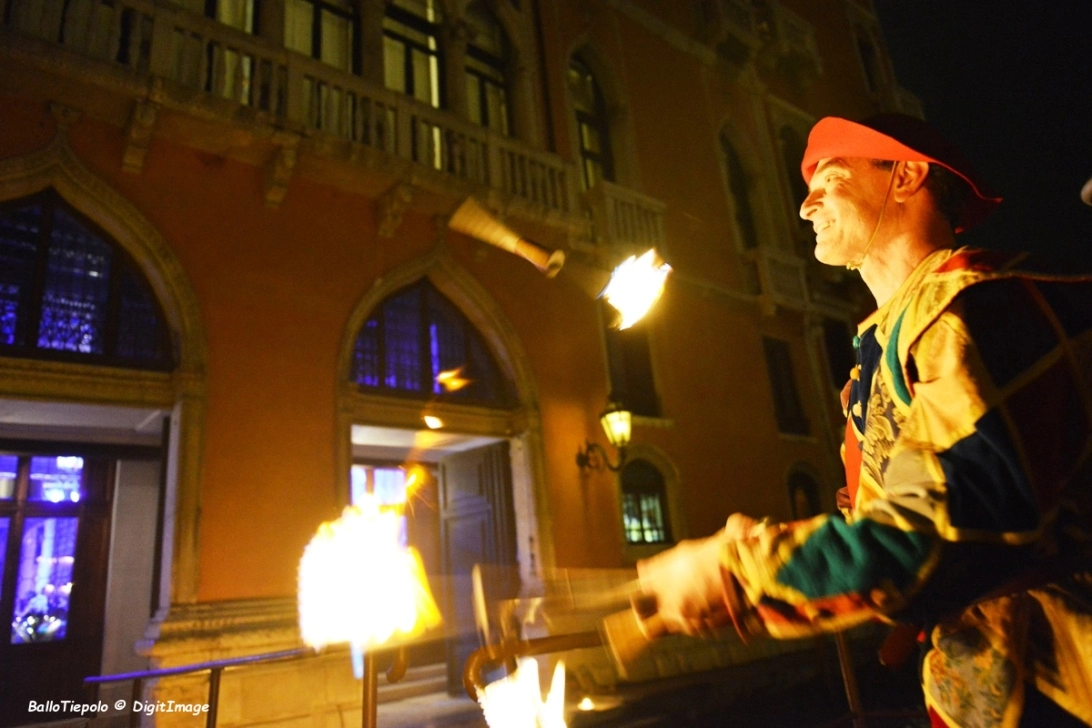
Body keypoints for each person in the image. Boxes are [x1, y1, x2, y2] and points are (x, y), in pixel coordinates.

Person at [637, 113, 1092, 727]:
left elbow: (941, 532)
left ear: (905, 176)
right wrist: (764, 547)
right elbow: (888, 522)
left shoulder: (977, 307)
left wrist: (741, 572)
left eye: (831, 178)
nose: (806, 206)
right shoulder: (881, 350)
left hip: (1062, 687)